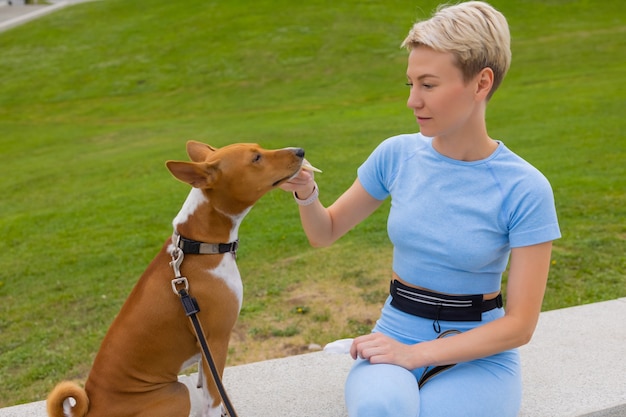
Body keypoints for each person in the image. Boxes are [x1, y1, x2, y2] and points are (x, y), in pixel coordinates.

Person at [280, 1, 561, 416]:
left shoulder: (525, 188)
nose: (413, 101)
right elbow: (325, 232)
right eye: (409, 84)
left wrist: (416, 355)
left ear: (481, 83)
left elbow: (520, 325)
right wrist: (307, 192)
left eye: (428, 85)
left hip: (478, 354)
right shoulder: (396, 155)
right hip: (395, 329)